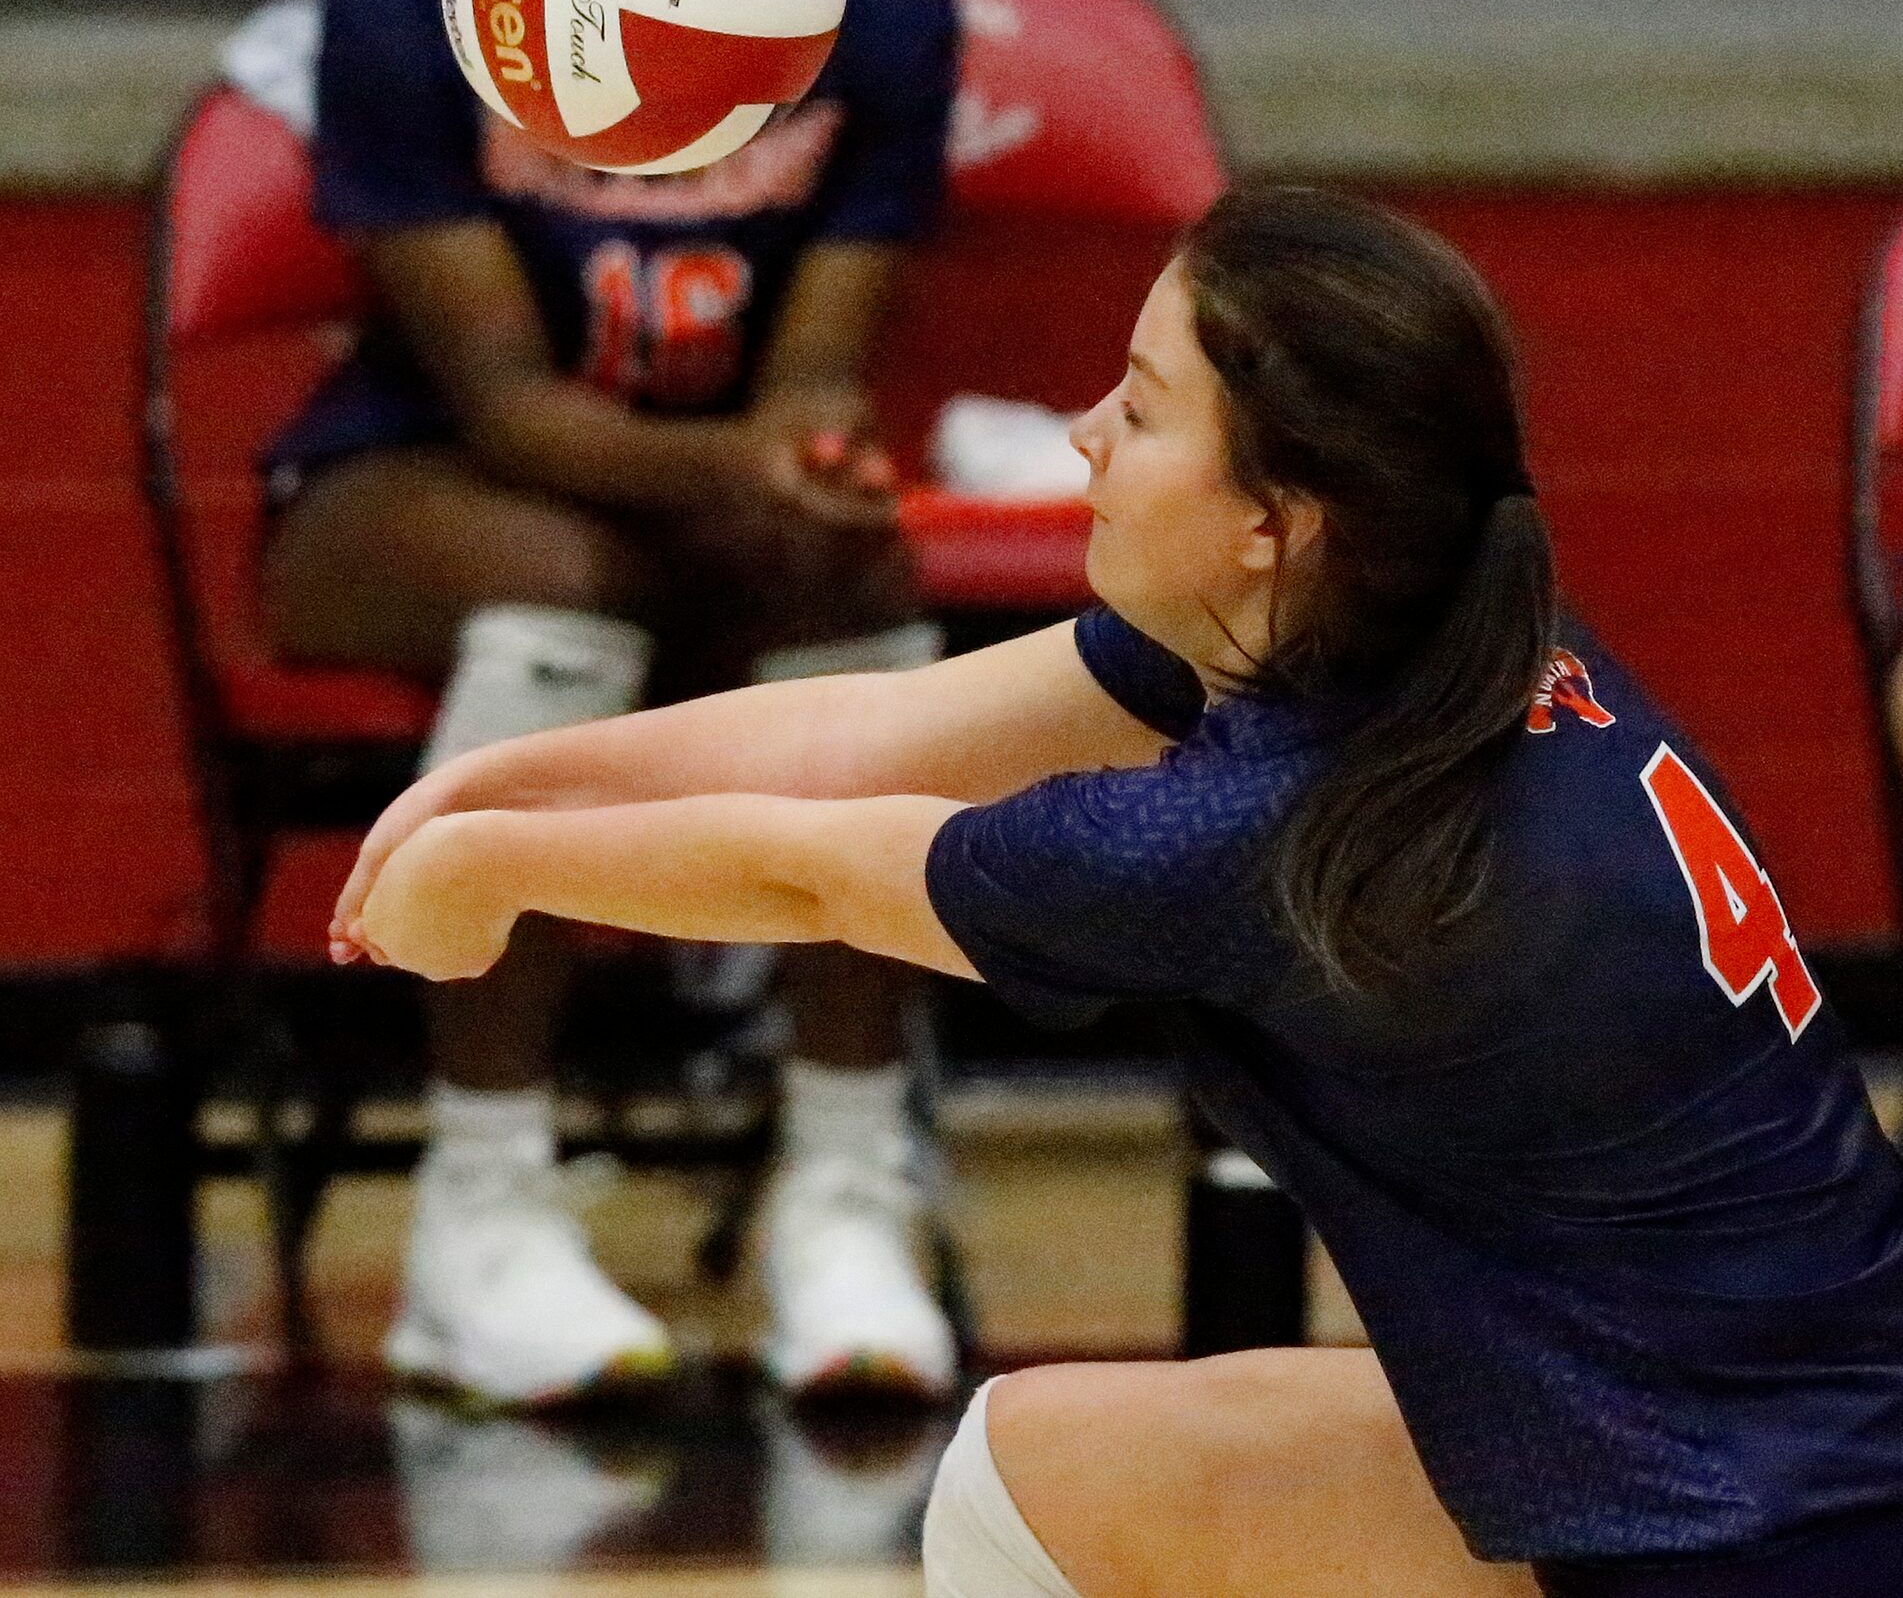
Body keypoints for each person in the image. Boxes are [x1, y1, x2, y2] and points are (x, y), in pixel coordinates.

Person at [330, 182, 1903, 1595]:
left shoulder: (1250, 839)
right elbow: (862, 738)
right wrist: (500, 782)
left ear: (1272, 523)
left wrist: (502, 873)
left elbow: (806, 868)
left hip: (1730, 1538)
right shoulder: (1433, 618)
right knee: (1045, 1459)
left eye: (1140, 413)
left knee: (1029, 1492)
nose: (1082, 433)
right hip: (1767, 1447)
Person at [261, 0, 964, 1406]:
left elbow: (812, 378)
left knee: (856, 589)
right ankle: (478, 1215)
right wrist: (750, 467)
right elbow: (500, 404)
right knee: (565, 584)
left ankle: (847, 1191)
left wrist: (806, 459)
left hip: (694, 499)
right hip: (415, 480)